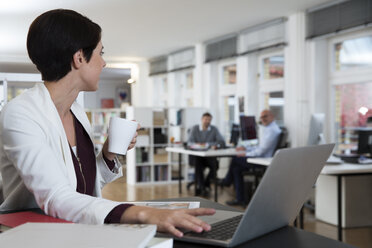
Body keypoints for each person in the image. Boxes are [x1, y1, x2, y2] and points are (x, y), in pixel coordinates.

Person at [0, 9, 215, 238]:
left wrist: (108, 155)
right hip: (32, 235)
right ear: (79, 57)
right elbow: (56, 197)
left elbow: (83, 187)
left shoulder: (77, 113)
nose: (103, 63)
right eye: (100, 53)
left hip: (75, 228)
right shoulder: (20, 113)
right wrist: (142, 213)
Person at [221, 110, 281, 206]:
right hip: (260, 158)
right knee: (236, 169)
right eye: (261, 117)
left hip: (261, 160)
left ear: (272, 116)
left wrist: (247, 154)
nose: (263, 119)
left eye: (265, 116)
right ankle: (240, 199)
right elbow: (260, 146)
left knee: (235, 159)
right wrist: (246, 148)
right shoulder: (268, 128)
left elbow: (262, 150)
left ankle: (227, 181)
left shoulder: (272, 130)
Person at [187, 112, 225, 196]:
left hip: (208, 156)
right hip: (197, 157)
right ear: (201, 119)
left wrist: (207, 144)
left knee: (215, 165)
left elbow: (221, 142)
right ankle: (202, 187)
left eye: (209, 120)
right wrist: (199, 145)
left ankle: (206, 183)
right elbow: (190, 143)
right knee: (198, 164)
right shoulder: (195, 128)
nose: (207, 121)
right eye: (205, 119)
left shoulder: (214, 129)